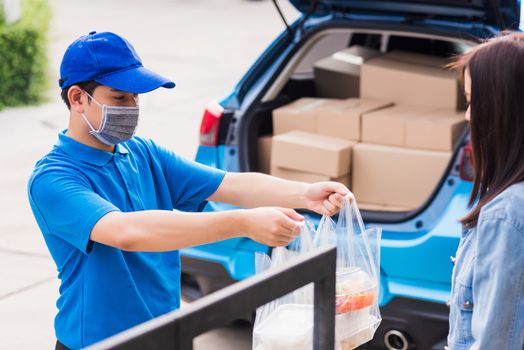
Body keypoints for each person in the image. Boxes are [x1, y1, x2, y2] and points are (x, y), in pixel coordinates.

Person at [27, 31, 350, 349]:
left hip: (169, 330)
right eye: (119, 97)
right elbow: (126, 232)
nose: (132, 107)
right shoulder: (54, 178)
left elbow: (229, 183)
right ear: (78, 98)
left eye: (136, 97)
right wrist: (244, 223)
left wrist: (305, 194)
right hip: (99, 342)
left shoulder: (142, 153)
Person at [447, 31, 524, 349]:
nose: (467, 115)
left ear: (502, 110)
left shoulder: (506, 214)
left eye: (472, 101)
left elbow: (494, 343)